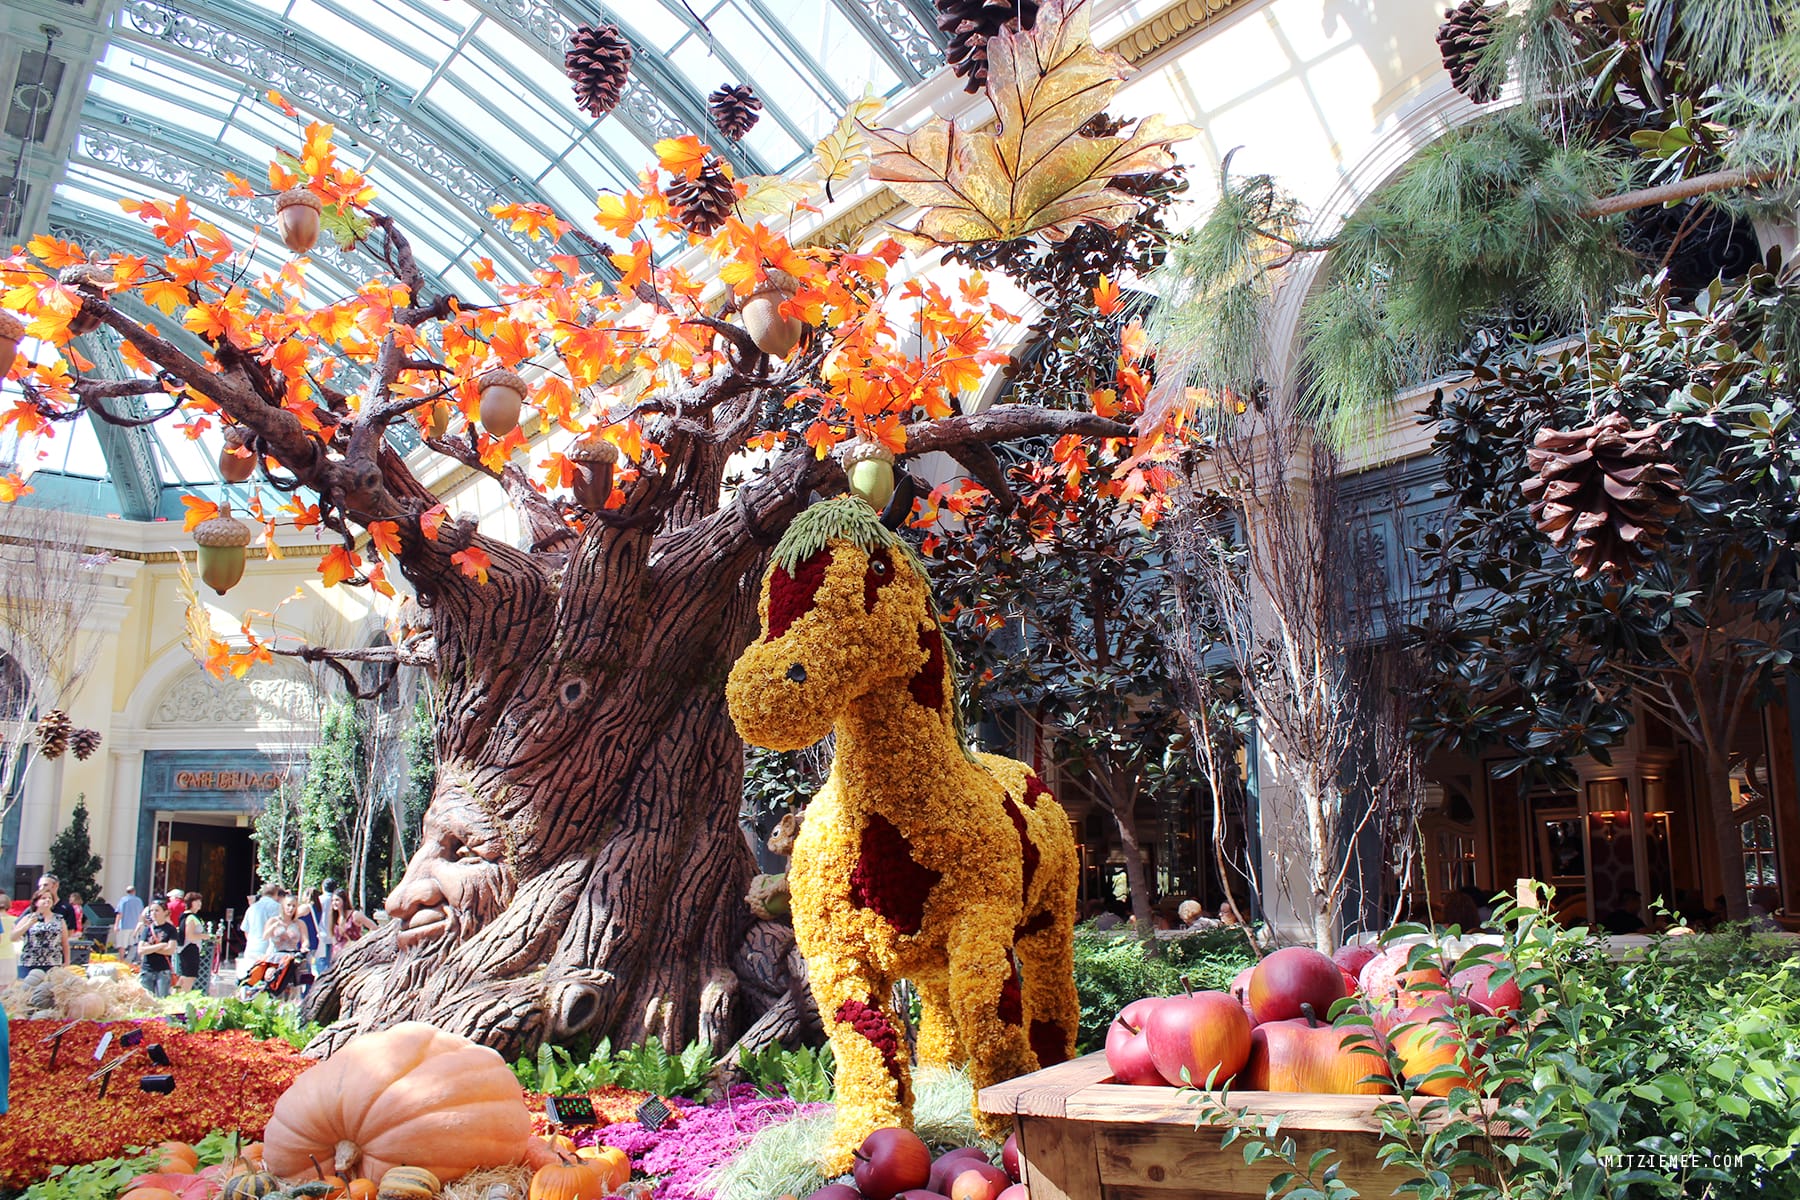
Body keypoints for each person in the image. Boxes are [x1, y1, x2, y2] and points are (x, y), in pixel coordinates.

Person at [257, 894, 310, 1000]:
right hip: (275, 958)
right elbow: (264, 936)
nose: (291, 908)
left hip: (291, 958)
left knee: (292, 989)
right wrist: (274, 927)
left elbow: (306, 940)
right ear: (283, 906)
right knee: (272, 985)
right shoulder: (273, 920)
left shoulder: (299, 923)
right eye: (288, 905)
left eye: (294, 906)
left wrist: (304, 947)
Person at [12, 890, 70, 977]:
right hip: (29, 962)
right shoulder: (28, 917)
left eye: (50, 898)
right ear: (36, 902)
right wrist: (28, 924)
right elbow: (13, 937)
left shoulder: (59, 919)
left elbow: (65, 943)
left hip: (53, 963)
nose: (47, 900)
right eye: (43, 898)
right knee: (27, 989)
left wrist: (67, 961)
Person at [138, 900, 178, 997]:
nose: (153, 913)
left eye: (157, 910)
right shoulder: (147, 929)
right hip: (147, 969)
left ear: (165, 912)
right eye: (151, 911)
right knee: (147, 1000)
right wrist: (160, 946)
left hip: (163, 970)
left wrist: (150, 948)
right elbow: (140, 950)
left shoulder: (171, 929)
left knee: (162, 999)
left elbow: (170, 950)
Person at [176, 893, 208, 992]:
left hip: (187, 949)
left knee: (183, 976)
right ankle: (183, 995)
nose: (199, 903)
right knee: (189, 977)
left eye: (200, 901)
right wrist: (205, 936)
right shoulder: (190, 917)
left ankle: (175, 993)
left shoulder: (189, 916)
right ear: (191, 903)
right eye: (197, 901)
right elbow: (189, 935)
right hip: (190, 948)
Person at [241, 883, 280, 964]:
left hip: (251, 948)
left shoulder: (252, 908)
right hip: (268, 949)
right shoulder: (277, 907)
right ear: (276, 894)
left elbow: (246, 930)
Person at [330, 894, 374, 961]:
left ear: (344, 901)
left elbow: (374, 927)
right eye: (332, 900)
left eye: (337, 900)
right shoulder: (334, 917)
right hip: (337, 956)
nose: (334, 903)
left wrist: (365, 941)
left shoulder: (355, 915)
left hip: (353, 955)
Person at [114, 884, 143, 961]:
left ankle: (122, 960)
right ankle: (129, 961)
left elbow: (120, 913)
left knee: (122, 945)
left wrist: (116, 925)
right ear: (134, 891)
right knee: (133, 944)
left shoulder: (123, 900)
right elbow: (141, 914)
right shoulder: (139, 900)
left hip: (124, 926)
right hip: (135, 926)